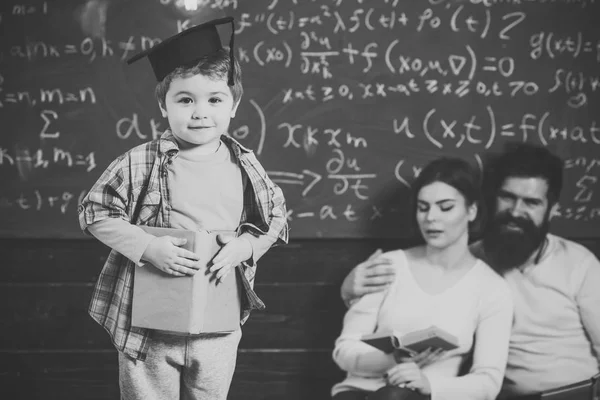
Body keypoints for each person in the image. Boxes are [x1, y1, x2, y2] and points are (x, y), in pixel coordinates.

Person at [77, 17, 288, 400]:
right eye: (185, 99)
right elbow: (95, 211)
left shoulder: (245, 164)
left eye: (215, 99)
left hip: (218, 325)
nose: (200, 112)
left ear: (234, 104)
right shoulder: (139, 161)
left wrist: (248, 246)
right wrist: (147, 248)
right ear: (163, 103)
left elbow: (275, 217)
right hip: (150, 328)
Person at [341, 143, 600, 399]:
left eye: (531, 202)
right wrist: (349, 290)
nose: (516, 211)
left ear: (552, 209)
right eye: (507, 197)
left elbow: (485, 379)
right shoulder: (469, 257)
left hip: (577, 392)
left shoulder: (579, 264)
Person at [332, 157, 514, 400]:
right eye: (423, 207)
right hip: (362, 394)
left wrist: (430, 386)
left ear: (471, 210)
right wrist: (391, 358)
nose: (431, 218)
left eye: (445, 207)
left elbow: (488, 381)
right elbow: (344, 350)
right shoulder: (388, 266)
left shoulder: (492, 288)